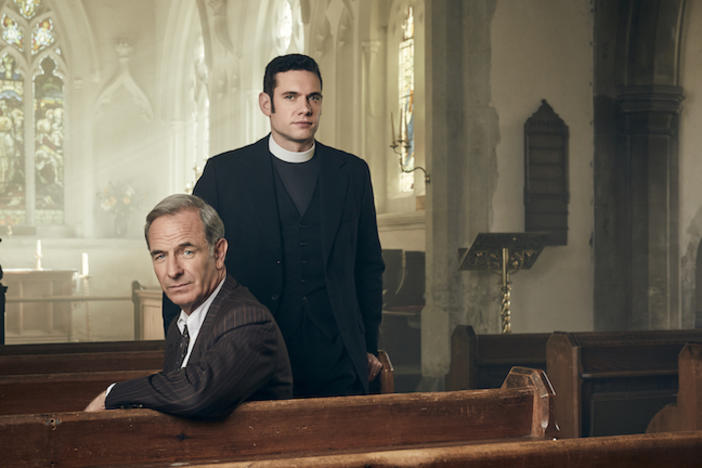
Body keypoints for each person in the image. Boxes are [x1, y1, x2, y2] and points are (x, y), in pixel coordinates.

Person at [163, 53, 385, 398]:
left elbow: (368, 266)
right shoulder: (225, 174)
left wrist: (369, 345)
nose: (305, 108)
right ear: (266, 103)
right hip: (249, 353)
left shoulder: (353, 173)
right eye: (291, 97)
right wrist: (183, 349)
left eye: (314, 97)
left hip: (337, 357)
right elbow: (187, 260)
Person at [85, 194, 292, 419]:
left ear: (218, 253)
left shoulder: (247, 320)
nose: (173, 271)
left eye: (187, 252)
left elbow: (195, 394)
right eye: (160, 256)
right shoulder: (180, 323)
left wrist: (111, 395)